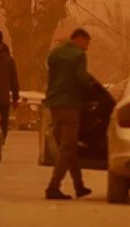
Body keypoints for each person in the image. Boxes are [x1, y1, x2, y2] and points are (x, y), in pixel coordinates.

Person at [44, 28, 94, 200]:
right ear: (79, 39)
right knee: (67, 147)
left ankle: (79, 186)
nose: (87, 47)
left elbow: (51, 77)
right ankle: (53, 186)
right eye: (86, 43)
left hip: (54, 104)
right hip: (71, 104)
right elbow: (82, 80)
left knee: (69, 146)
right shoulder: (78, 55)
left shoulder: (55, 54)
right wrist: (89, 90)